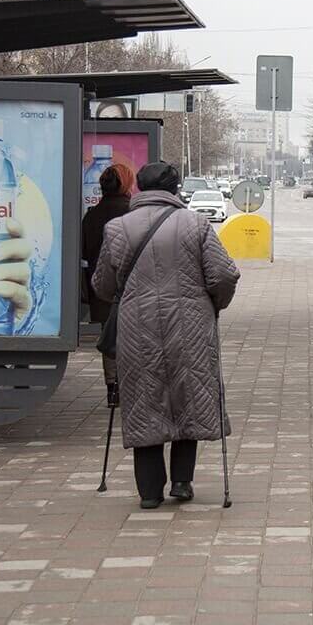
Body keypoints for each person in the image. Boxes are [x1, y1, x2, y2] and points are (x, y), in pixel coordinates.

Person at [93, 161, 240, 509]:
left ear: (140, 188)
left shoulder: (117, 228)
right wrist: (213, 305)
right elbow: (224, 275)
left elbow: (102, 284)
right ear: (176, 189)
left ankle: (148, 492)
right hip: (190, 326)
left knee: (144, 401)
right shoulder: (196, 224)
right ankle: (182, 482)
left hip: (135, 330)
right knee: (187, 397)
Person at [81, 164, 134, 406]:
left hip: (100, 287)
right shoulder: (132, 214)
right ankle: (131, 387)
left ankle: (112, 389)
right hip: (131, 287)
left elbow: (84, 250)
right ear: (126, 184)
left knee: (110, 336)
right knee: (133, 338)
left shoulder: (92, 215)